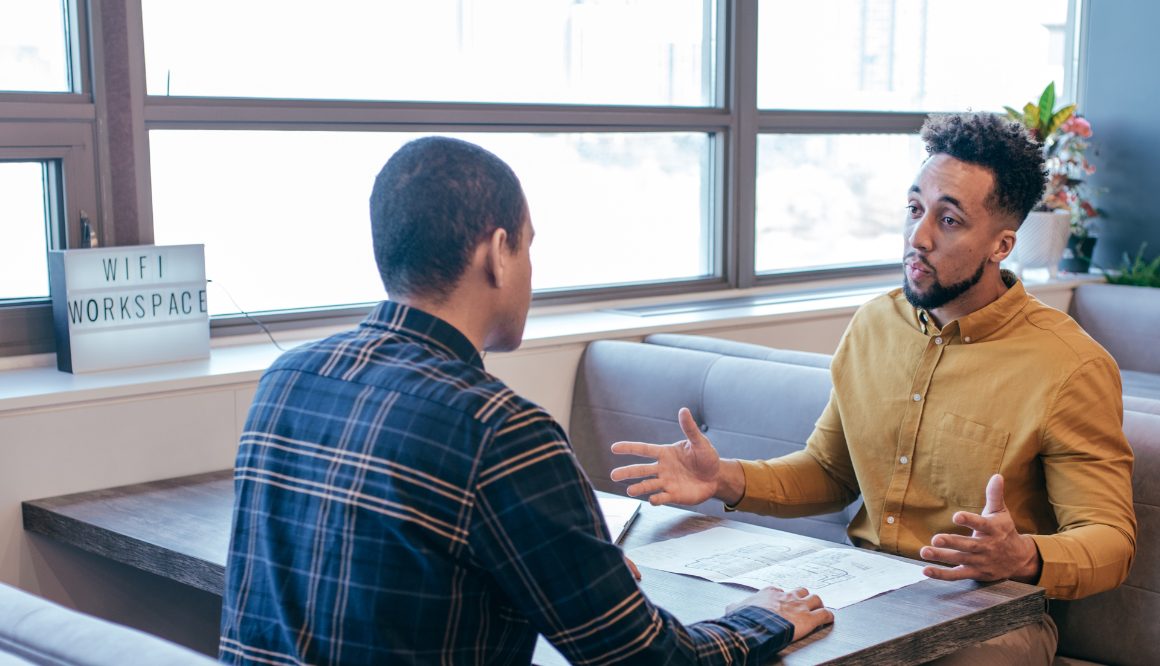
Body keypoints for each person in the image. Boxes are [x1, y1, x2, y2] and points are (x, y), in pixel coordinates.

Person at [219, 136, 832, 666]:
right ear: (497, 252)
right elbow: (646, 659)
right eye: (530, 247)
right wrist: (762, 616)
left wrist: (576, 573)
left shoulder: (288, 377)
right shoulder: (501, 432)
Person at [610, 113, 1137, 665]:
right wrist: (724, 478)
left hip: (989, 617)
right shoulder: (873, 325)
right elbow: (831, 472)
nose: (919, 236)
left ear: (1001, 244)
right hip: (862, 592)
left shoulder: (1070, 365)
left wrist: (1022, 554)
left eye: (949, 220)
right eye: (914, 210)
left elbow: (1110, 540)